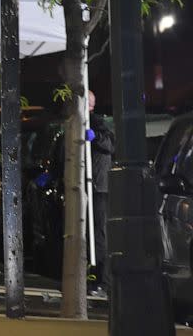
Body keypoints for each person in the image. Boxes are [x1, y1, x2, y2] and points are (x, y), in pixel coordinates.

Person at [86, 90, 115, 296]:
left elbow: (110, 145)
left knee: (99, 235)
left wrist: (95, 138)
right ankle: (94, 279)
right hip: (91, 184)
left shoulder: (97, 122)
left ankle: (103, 282)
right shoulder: (83, 121)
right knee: (91, 234)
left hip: (98, 186)